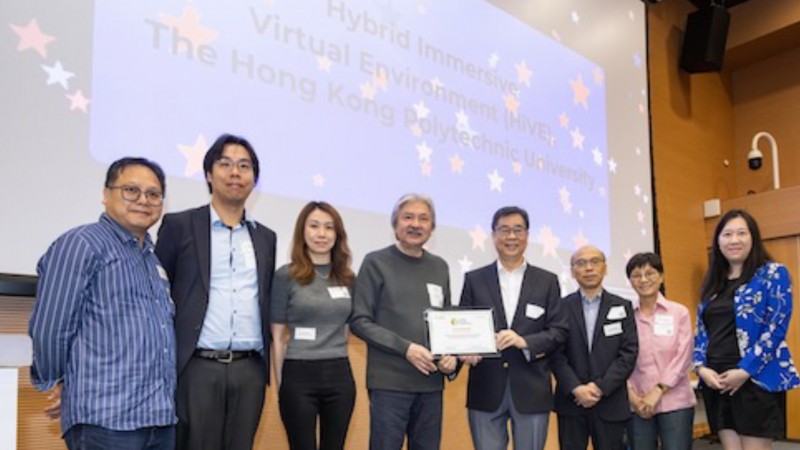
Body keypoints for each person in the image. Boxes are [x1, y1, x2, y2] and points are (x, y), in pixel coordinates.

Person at [29, 157, 176, 449]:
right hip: (106, 421)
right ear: (105, 194)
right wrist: (59, 380)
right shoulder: (82, 243)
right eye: (131, 190)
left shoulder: (151, 259)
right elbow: (50, 327)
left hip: (158, 420)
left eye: (153, 194)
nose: (143, 200)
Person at [155, 134, 277, 450]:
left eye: (244, 165)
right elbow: (156, 294)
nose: (235, 172)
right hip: (197, 366)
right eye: (225, 164)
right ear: (209, 174)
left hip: (250, 369)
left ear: (254, 179)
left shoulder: (266, 238)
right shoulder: (180, 225)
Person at [350, 193, 456, 450]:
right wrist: (405, 348)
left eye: (424, 218)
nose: (416, 224)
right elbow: (359, 320)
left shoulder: (440, 267)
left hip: (431, 385)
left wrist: (452, 356)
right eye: (408, 217)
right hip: (390, 384)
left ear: (432, 228)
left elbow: (447, 321)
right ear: (395, 224)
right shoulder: (375, 262)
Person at [458, 206, 567, 450]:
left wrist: (525, 342)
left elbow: (559, 331)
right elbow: (464, 327)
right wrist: (466, 350)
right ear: (493, 235)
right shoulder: (474, 279)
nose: (511, 237)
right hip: (485, 388)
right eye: (504, 230)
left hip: (532, 391)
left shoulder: (547, 281)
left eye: (518, 230)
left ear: (527, 235)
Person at [693, 209, 800, 450]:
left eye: (742, 233)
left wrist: (744, 371)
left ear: (753, 238)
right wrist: (701, 369)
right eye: (727, 234)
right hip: (717, 380)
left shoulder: (772, 273)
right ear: (718, 241)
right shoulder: (713, 283)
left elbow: (776, 327)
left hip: (754, 378)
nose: (734, 240)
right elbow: (701, 332)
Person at [271, 201, 357, 450]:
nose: (322, 234)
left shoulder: (348, 278)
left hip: (340, 375)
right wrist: (281, 386)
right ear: (302, 231)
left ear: (337, 234)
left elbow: (346, 329)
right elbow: (277, 337)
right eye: (314, 226)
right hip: (298, 376)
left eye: (329, 227)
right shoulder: (285, 275)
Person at [552, 245, 638, 450]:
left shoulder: (622, 306)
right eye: (581, 263)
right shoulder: (560, 307)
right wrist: (576, 388)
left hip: (611, 402)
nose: (588, 268)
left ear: (605, 268)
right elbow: (555, 354)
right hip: (571, 403)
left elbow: (628, 353)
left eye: (595, 262)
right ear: (572, 271)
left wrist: (600, 387)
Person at [625, 252, 695, 450]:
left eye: (650, 273)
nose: (644, 279)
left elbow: (683, 355)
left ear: (662, 276)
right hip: (637, 402)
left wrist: (658, 390)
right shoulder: (624, 315)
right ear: (630, 281)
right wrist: (631, 395)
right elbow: (618, 357)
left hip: (675, 401)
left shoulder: (678, 312)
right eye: (636, 275)